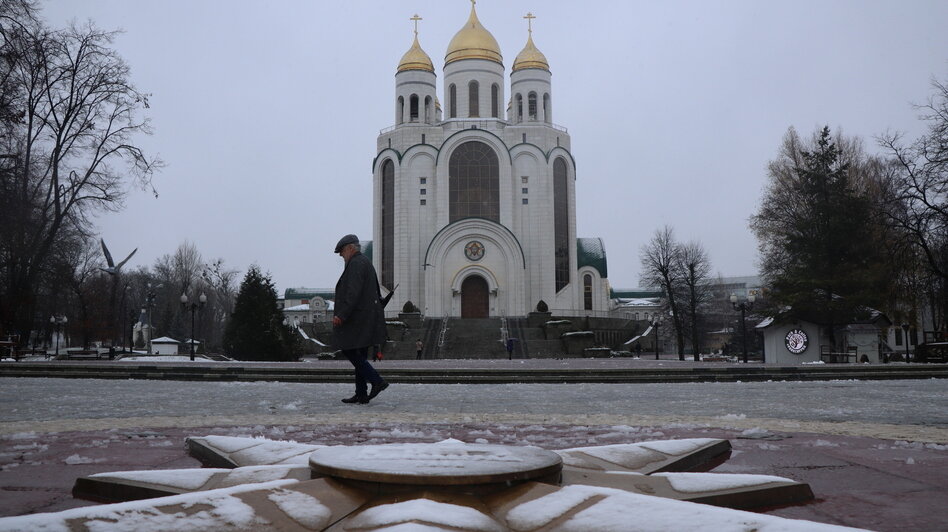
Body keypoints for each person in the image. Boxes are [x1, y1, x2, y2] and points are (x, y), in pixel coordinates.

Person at [332, 234, 389, 404]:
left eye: (342, 252)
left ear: (350, 248)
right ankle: (361, 393)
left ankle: (377, 380)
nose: (342, 256)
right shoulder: (364, 262)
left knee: (349, 350)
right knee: (360, 355)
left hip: (359, 319)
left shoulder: (356, 264)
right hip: (366, 316)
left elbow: (353, 292)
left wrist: (341, 315)